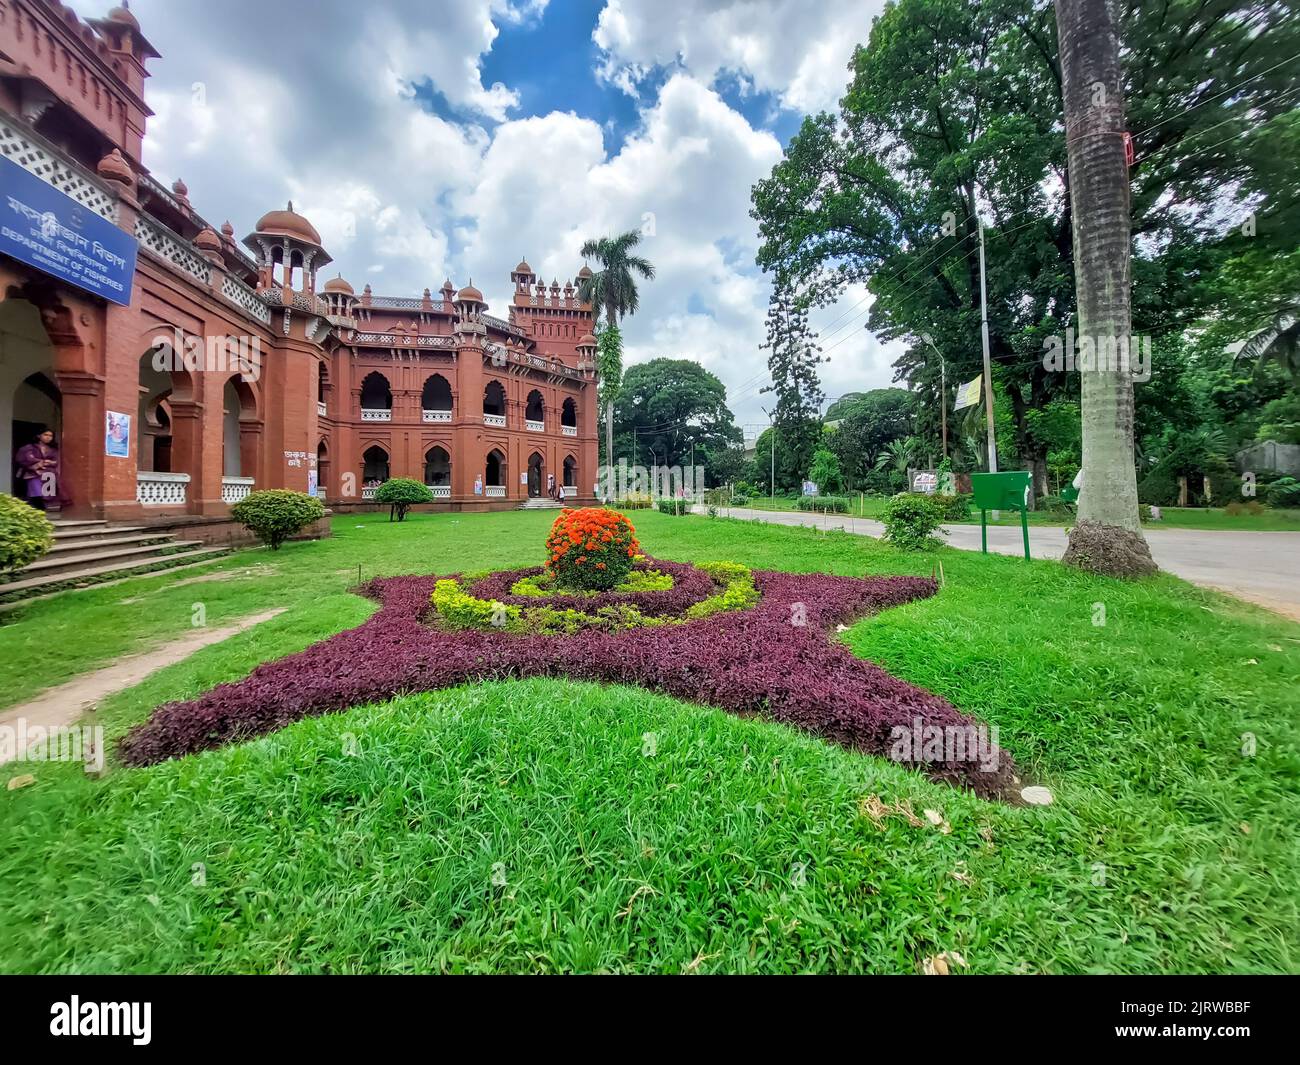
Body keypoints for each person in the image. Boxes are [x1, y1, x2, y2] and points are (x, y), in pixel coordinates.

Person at [15, 428, 69, 511]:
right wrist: (40, 463)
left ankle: (42, 511)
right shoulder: (29, 448)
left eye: (50, 436)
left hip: (49, 475)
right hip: (33, 474)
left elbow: (56, 461)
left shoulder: (53, 449)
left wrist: (49, 463)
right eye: (45, 435)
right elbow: (23, 459)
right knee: (36, 493)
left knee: (47, 495)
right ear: (39, 436)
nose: (48, 437)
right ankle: (37, 511)